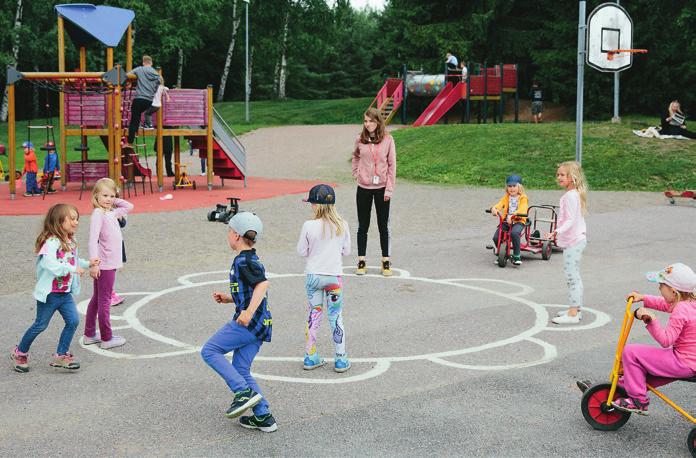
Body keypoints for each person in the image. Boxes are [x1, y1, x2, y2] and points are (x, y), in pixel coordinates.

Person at [201, 212, 277, 433]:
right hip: (260, 325)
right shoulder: (248, 259)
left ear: (235, 234)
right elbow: (251, 290)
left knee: (210, 351)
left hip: (249, 323)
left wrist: (246, 312)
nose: (228, 235)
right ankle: (264, 416)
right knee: (241, 368)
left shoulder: (244, 261)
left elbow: (262, 286)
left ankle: (243, 392)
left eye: (228, 231)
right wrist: (230, 298)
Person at [11, 204, 97, 373]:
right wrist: (72, 269)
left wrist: (87, 264)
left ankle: (61, 355)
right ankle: (20, 352)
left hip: (64, 294)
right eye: (71, 218)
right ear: (58, 222)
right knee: (40, 325)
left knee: (73, 321)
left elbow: (73, 260)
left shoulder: (71, 241)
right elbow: (49, 263)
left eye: (77, 218)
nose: (76, 222)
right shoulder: (51, 242)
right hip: (50, 294)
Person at [610, 263, 696, 415]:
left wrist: (652, 320)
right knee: (645, 372)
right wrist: (643, 298)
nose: (659, 288)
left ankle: (638, 400)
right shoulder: (688, 303)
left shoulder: (681, 309)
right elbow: (665, 304)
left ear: (674, 291)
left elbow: (666, 340)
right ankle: (619, 389)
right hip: (690, 362)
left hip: (683, 362)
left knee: (632, 352)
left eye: (662, 285)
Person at [297, 184, 351, 373]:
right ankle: (341, 358)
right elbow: (347, 250)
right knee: (336, 316)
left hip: (313, 276)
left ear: (316, 205)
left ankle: (310, 356)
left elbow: (301, 251)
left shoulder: (308, 225)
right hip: (334, 277)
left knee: (314, 315)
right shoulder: (342, 225)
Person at [83, 178, 133, 349]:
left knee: (97, 299)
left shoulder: (111, 213)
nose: (109, 199)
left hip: (109, 262)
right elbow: (92, 240)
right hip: (104, 264)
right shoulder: (98, 214)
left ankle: (89, 334)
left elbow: (129, 206)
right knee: (104, 300)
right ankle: (106, 338)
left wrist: (114, 197)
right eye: (105, 195)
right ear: (96, 195)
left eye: (112, 195)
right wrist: (94, 263)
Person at [351, 107, 396, 277]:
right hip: (363, 188)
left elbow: (392, 166)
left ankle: (386, 260)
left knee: (383, 226)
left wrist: (389, 189)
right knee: (363, 226)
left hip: (382, 189)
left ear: (378, 121)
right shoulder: (360, 139)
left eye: (371, 121)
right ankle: (361, 260)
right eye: (365, 121)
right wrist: (356, 173)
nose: (368, 124)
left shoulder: (388, 140)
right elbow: (355, 156)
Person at [548, 161, 588, 325]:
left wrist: (556, 232)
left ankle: (573, 313)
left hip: (574, 241)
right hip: (575, 240)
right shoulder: (573, 194)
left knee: (572, 277)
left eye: (562, 175)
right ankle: (575, 308)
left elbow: (570, 220)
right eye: (558, 174)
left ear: (572, 177)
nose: (559, 177)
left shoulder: (570, 196)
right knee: (574, 276)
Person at [490, 175, 529, 266]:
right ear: (507, 187)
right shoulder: (507, 197)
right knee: (496, 237)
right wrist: (494, 209)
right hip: (506, 221)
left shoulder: (523, 198)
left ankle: (516, 256)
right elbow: (499, 204)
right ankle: (502, 254)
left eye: (514, 186)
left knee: (514, 233)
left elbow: (523, 209)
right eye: (509, 186)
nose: (512, 188)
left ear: (519, 187)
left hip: (518, 221)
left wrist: (514, 215)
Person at [126, 55, 163, 146]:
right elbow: (159, 83)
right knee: (140, 114)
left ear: (143, 62)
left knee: (134, 118)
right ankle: (139, 126)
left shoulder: (139, 69)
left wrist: (130, 82)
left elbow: (128, 75)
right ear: (151, 63)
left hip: (139, 98)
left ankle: (130, 141)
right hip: (149, 101)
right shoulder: (156, 74)